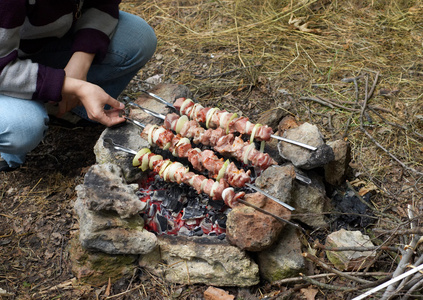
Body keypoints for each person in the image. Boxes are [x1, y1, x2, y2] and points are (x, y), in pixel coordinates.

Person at [0, 0, 157, 172]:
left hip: (35, 45)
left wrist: (79, 63)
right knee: (22, 129)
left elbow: (103, 3)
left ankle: (59, 107)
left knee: (138, 37)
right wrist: (70, 85)